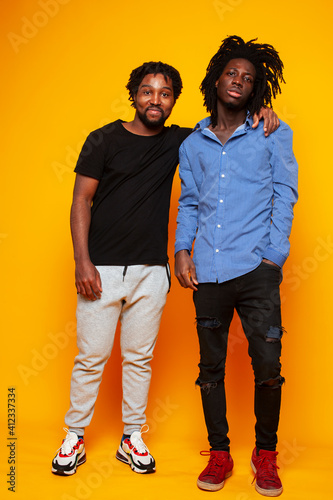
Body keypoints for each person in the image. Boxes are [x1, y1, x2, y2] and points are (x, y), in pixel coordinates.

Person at [51, 60, 279, 477]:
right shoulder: (102, 139)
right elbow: (80, 200)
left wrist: (261, 112)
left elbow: (222, 137)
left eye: (165, 93)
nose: (155, 99)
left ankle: (131, 436)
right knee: (91, 357)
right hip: (100, 268)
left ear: (174, 100)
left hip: (152, 273)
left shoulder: (184, 140)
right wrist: (81, 261)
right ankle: (74, 434)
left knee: (139, 358)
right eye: (148, 91)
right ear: (133, 94)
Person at [175, 36, 298, 497]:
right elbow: (187, 203)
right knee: (211, 368)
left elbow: (285, 192)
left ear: (255, 89)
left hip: (257, 269)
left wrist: (274, 254)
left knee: (267, 363)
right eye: (232, 73)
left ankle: (265, 455)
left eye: (248, 78)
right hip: (207, 268)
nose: (239, 81)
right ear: (217, 79)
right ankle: (220, 452)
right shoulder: (192, 145)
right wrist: (183, 251)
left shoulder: (272, 132)